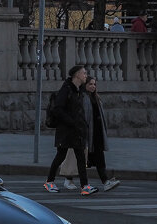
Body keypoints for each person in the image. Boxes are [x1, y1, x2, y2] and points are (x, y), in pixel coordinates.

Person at [43, 65, 98, 195]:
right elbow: (58, 109)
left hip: (77, 130)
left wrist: (81, 125)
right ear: (77, 75)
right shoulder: (66, 90)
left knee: (80, 157)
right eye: (84, 73)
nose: (86, 75)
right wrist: (71, 122)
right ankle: (49, 181)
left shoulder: (78, 90)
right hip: (66, 130)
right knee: (60, 156)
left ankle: (85, 186)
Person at [64, 76, 121, 192]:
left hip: (96, 134)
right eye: (90, 84)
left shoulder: (96, 98)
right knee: (80, 159)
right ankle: (68, 179)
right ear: (85, 86)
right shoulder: (83, 98)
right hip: (86, 134)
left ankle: (105, 182)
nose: (93, 87)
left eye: (94, 84)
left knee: (99, 158)